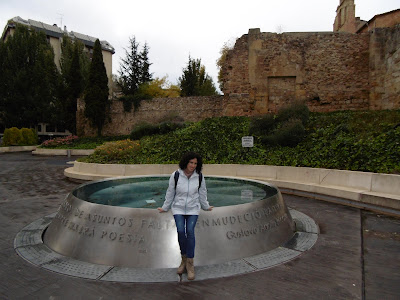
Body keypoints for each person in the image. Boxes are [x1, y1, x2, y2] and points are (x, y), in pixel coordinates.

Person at [158, 152, 213, 280]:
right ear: (186, 162)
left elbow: (202, 192)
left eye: (195, 163)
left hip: (193, 209)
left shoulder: (199, 176)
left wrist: (205, 206)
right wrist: (165, 207)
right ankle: (183, 259)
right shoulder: (176, 175)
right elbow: (170, 192)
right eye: (191, 163)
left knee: (190, 231)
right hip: (178, 208)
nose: (193, 166)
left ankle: (190, 264)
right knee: (181, 231)